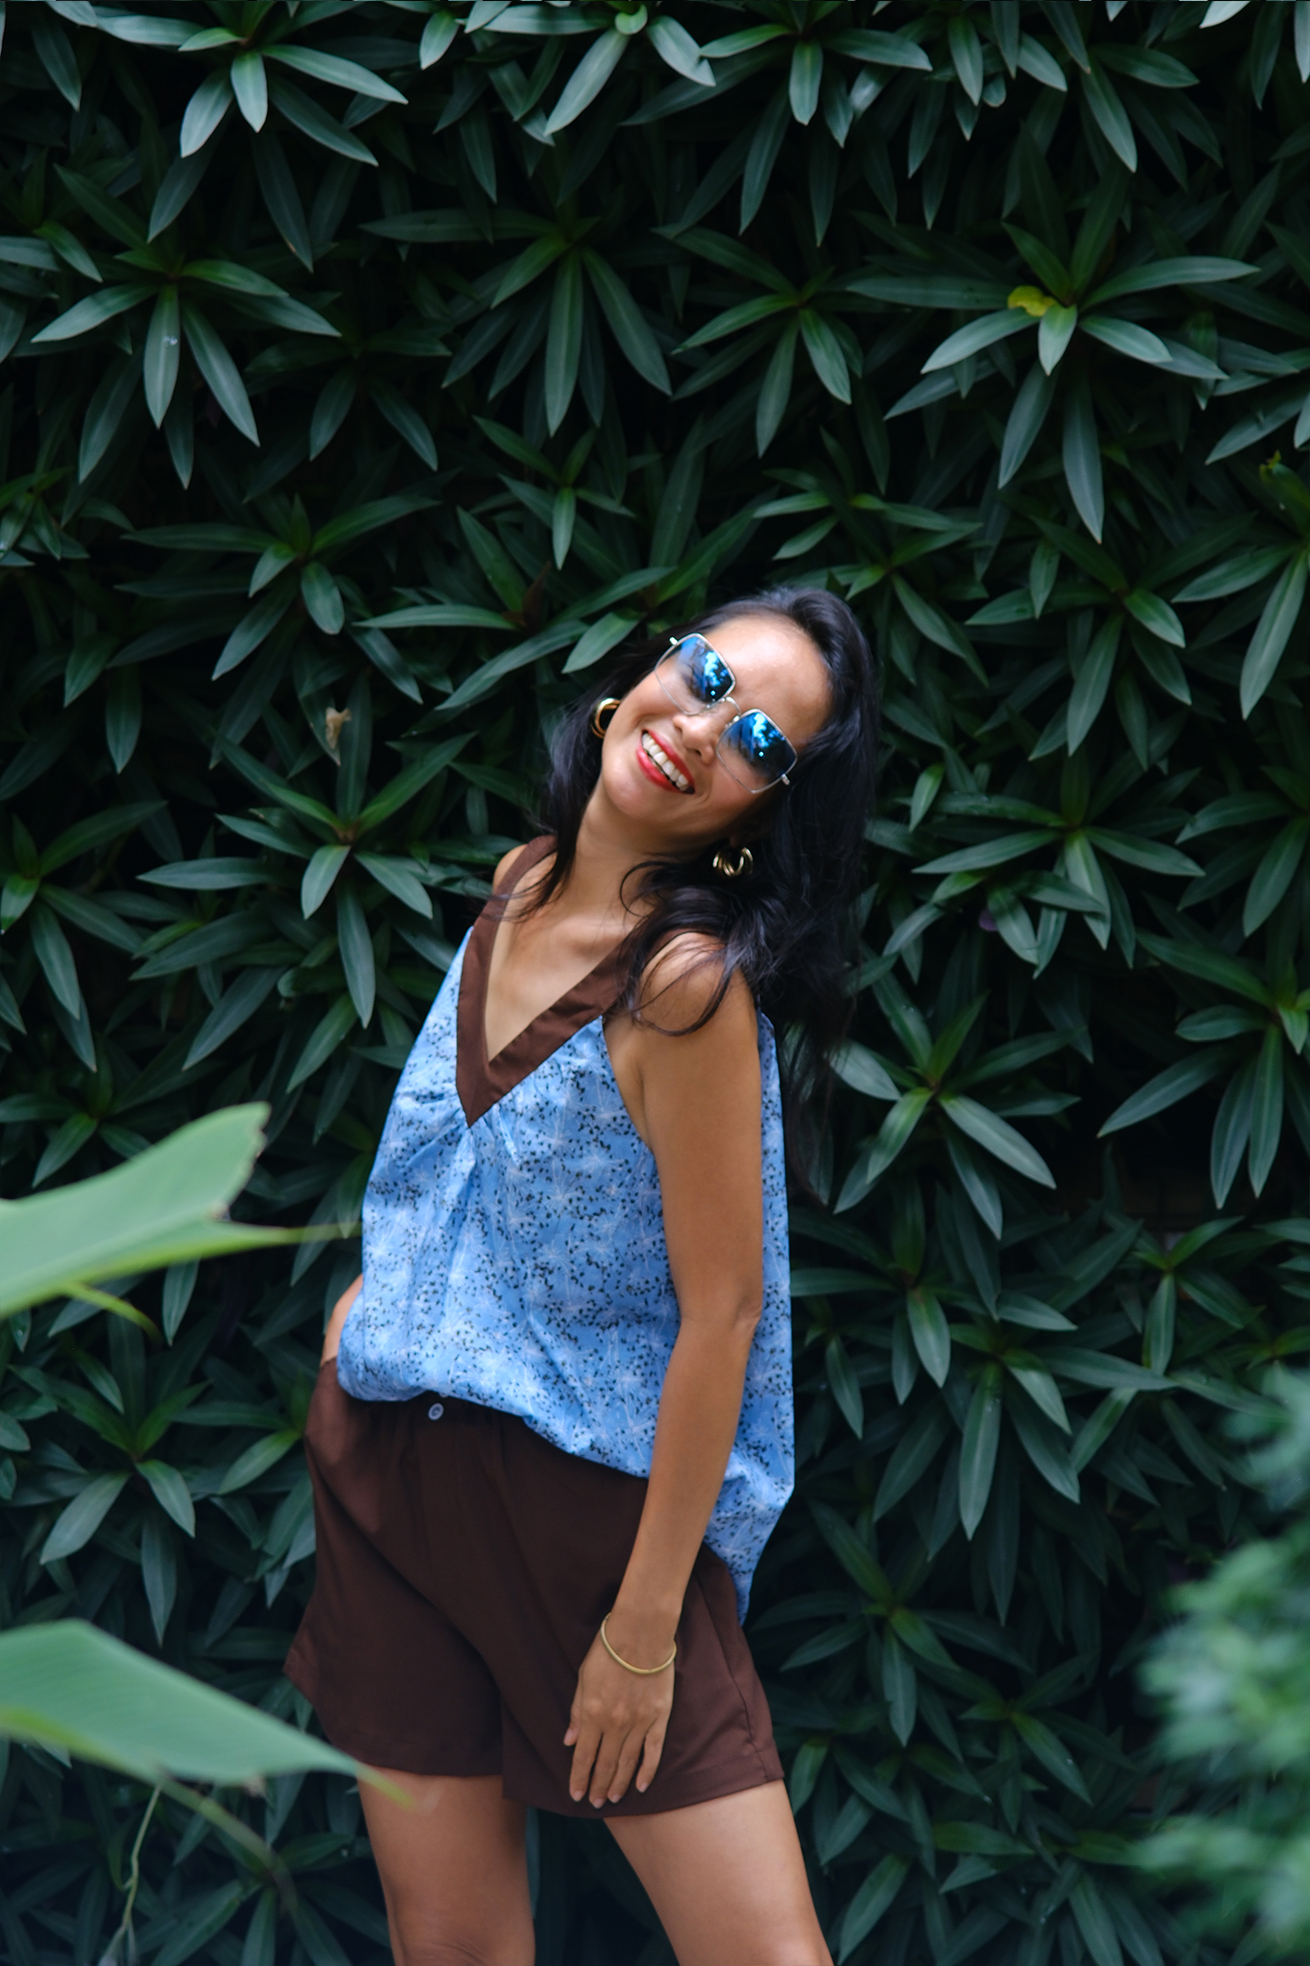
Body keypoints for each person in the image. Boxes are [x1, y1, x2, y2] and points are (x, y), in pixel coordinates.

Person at [286, 587, 879, 1966]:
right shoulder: (521, 880)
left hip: (587, 1522)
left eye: (762, 741)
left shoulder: (684, 989)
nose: (707, 726)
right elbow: (457, 1155)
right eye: (708, 674)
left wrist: (644, 1630)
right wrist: (375, 1302)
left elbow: (724, 1316)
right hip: (392, 1466)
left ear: (762, 813)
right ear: (649, 670)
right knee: (452, 1946)